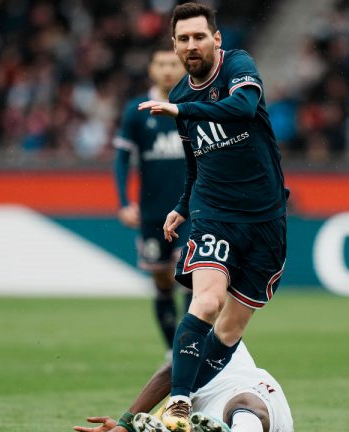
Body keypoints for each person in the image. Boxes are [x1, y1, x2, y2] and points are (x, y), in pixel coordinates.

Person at [137, 3, 288, 430]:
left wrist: (183, 111)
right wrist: (183, 205)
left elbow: (242, 108)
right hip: (214, 215)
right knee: (206, 302)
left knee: (228, 332)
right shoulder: (179, 97)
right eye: (183, 39)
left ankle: (170, 406)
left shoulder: (237, 66)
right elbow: (196, 161)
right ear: (174, 45)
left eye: (199, 37)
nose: (192, 45)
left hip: (265, 221)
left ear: (216, 39)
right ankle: (180, 403)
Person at [114, 47, 192, 352]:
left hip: (191, 211)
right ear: (151, 69)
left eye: (173, 64)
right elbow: (122, 159)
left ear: (183, 68)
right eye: (161, 64)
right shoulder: (136, 111)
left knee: (192, 277)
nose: (167, 70)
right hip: (153, 213)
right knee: (162, 281)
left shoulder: (195, 105)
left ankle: (189, 350)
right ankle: (172, 351)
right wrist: (124, 202)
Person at [73, 341, 293, 432]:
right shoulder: (176, 407)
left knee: (245, 404)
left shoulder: (216, 333)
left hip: (255, 399)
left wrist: (125, 424)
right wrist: (127, 428)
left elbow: (170, 370)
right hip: (209, 418)